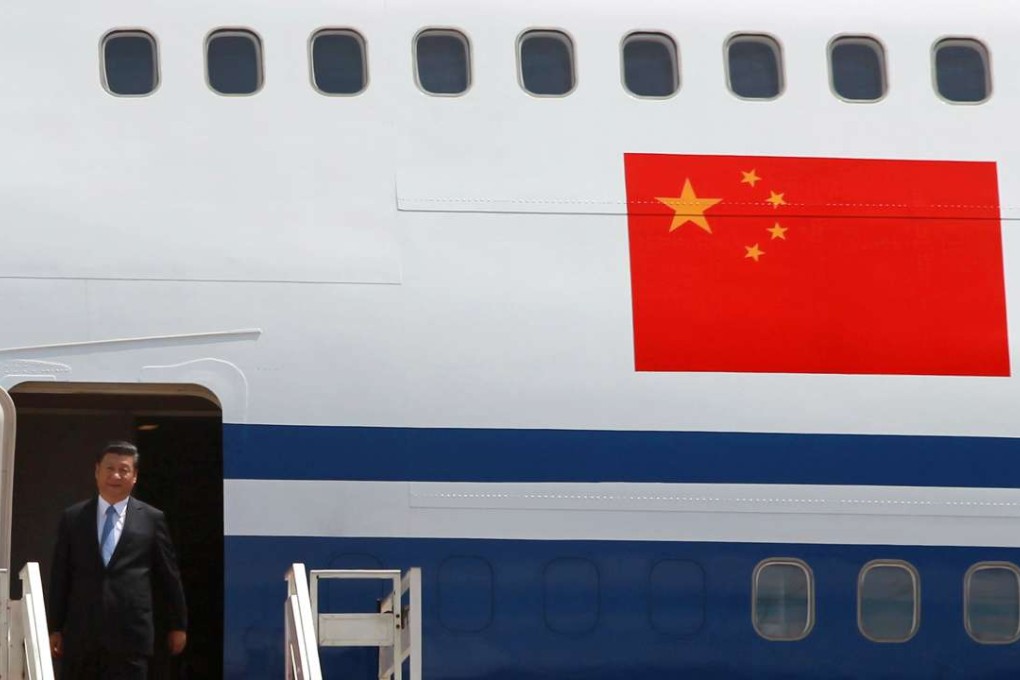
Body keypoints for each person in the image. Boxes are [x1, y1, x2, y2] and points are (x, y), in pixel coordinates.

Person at [48, 441, 188, 679]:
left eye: (124, 470)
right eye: (109, 468)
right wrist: (54, 627)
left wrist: (179, 625)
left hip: (131, 636)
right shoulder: (73, 518)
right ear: (96, 472)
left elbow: (169, 576)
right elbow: (61, 575)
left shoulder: (152, 519)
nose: (115, 475)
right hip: (82, 635)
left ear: (134, 476)